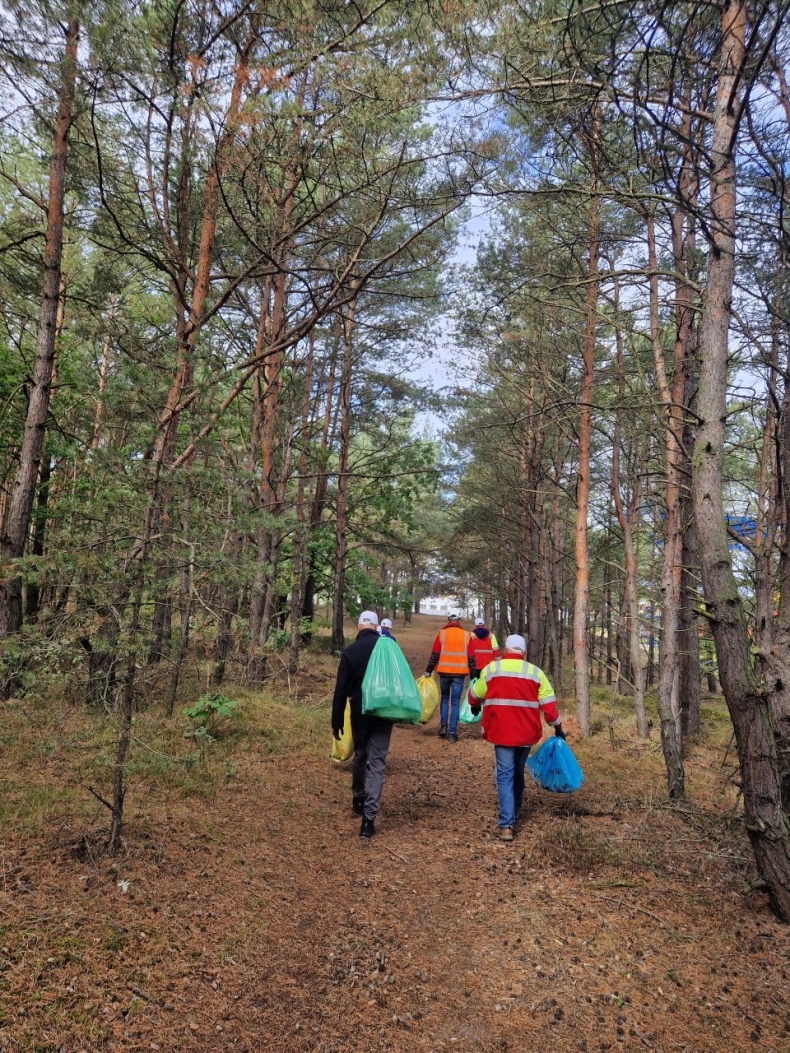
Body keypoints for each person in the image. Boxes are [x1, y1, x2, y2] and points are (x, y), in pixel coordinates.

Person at [469, 634, 565, 842]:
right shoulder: (535, 673)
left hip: (501, 732)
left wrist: (474, 705)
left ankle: (506, 824)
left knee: (505, 775)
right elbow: (549, 708)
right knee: (517, 770)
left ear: (505, 649)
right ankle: (516, 807)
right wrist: (558, 727)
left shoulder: (492, 670)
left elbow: (474, 694)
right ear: (524, 652)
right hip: (526, 734)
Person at [331, 610, 395, 839]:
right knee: (377, 763)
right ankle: (368, 821)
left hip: (359, 712)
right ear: (377, 627)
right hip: (383, 713)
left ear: (359, 627)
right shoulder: (387, 649)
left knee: (360, 755)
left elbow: (340, 689)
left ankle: (358, 798)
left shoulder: (350, 652)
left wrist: (336, 720)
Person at [424, 611, 469, 743]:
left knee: (445, 698)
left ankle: (443, 726)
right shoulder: (466, 636)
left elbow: (435, 654)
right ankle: (452, 734)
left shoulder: (442, 634)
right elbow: (471, 657)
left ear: (448, 620)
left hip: (444, 673)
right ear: (459, 621)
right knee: (455, 702)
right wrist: (473, 674)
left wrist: (428, 670)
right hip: (459, 674)